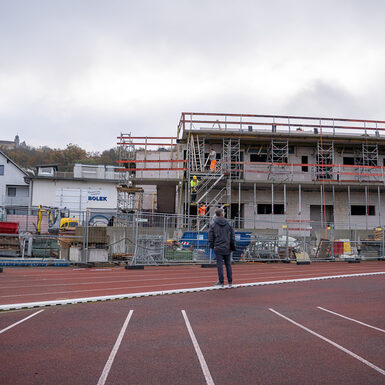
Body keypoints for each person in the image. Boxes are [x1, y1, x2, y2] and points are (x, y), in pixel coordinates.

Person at [208, 208, 236, 287]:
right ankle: (230, 282)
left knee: (219, 265)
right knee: (228, 264)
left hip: (218, 246)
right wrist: (232, 246)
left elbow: (210, 236)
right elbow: (232, 236)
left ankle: (221, 281)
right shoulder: (229, 224)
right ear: (222, 214)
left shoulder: (213, 224)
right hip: (227, 246)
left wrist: (212, 245)